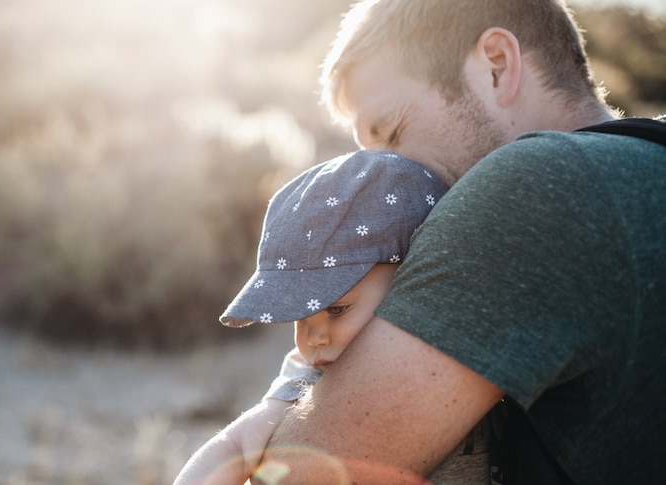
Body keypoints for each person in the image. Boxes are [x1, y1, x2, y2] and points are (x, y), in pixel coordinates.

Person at [253, 1, 666, 484]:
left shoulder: (530, 188)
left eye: (392, 132)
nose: (379, 178)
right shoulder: (644, 162)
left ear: (496, 65)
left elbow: (296, 477)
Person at [174, 150, 496, 485]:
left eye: (337, 309)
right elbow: (235, 443)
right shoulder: (310, 376)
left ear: (411, 281)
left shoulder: (467, 338)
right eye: (300, 317)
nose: (314, 337)